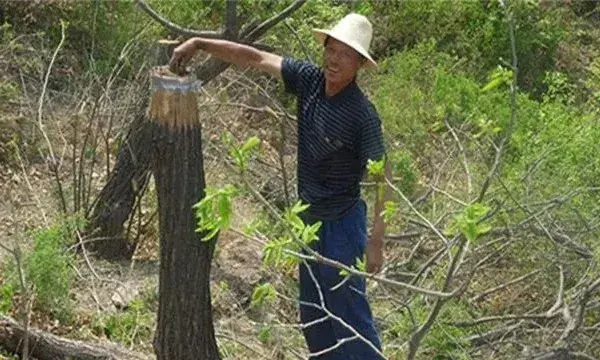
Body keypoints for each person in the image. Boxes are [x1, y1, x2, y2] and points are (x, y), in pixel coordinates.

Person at [170, 13, 392, 360]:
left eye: (345, 55)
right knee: (314, 316)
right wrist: (200, 43)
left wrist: (376, 240)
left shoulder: (363, 115)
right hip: (308, 221)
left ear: (360, 63)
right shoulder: (309, 80)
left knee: (350, 319)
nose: (333, 60)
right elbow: (255, 58)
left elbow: (383, 176)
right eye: (331, 49)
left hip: (343, 227)